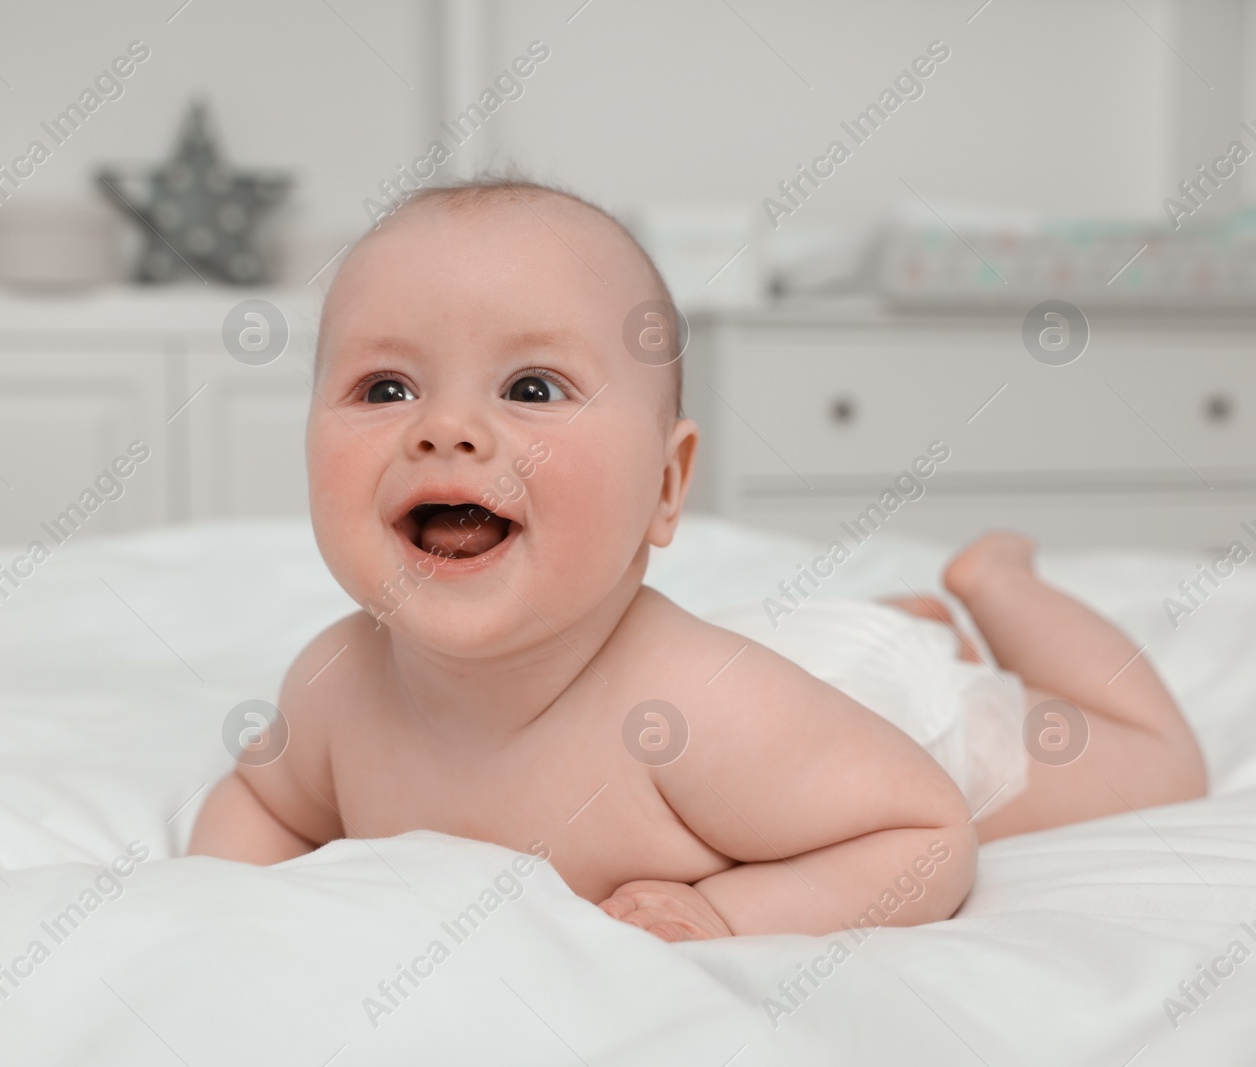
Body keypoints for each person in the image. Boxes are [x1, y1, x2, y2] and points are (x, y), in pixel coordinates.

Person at [189, 180, 1206, 941]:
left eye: (533, 388)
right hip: (785, 688)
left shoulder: (699, 712)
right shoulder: (334, 687)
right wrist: (215, 913)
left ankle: (994, 584)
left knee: (1154, 763)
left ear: (665, 489)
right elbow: (265, 802)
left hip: (871, 709)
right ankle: (901, 610)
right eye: (384, 388)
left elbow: (924, 831)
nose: (446, 429)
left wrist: (727, 909)